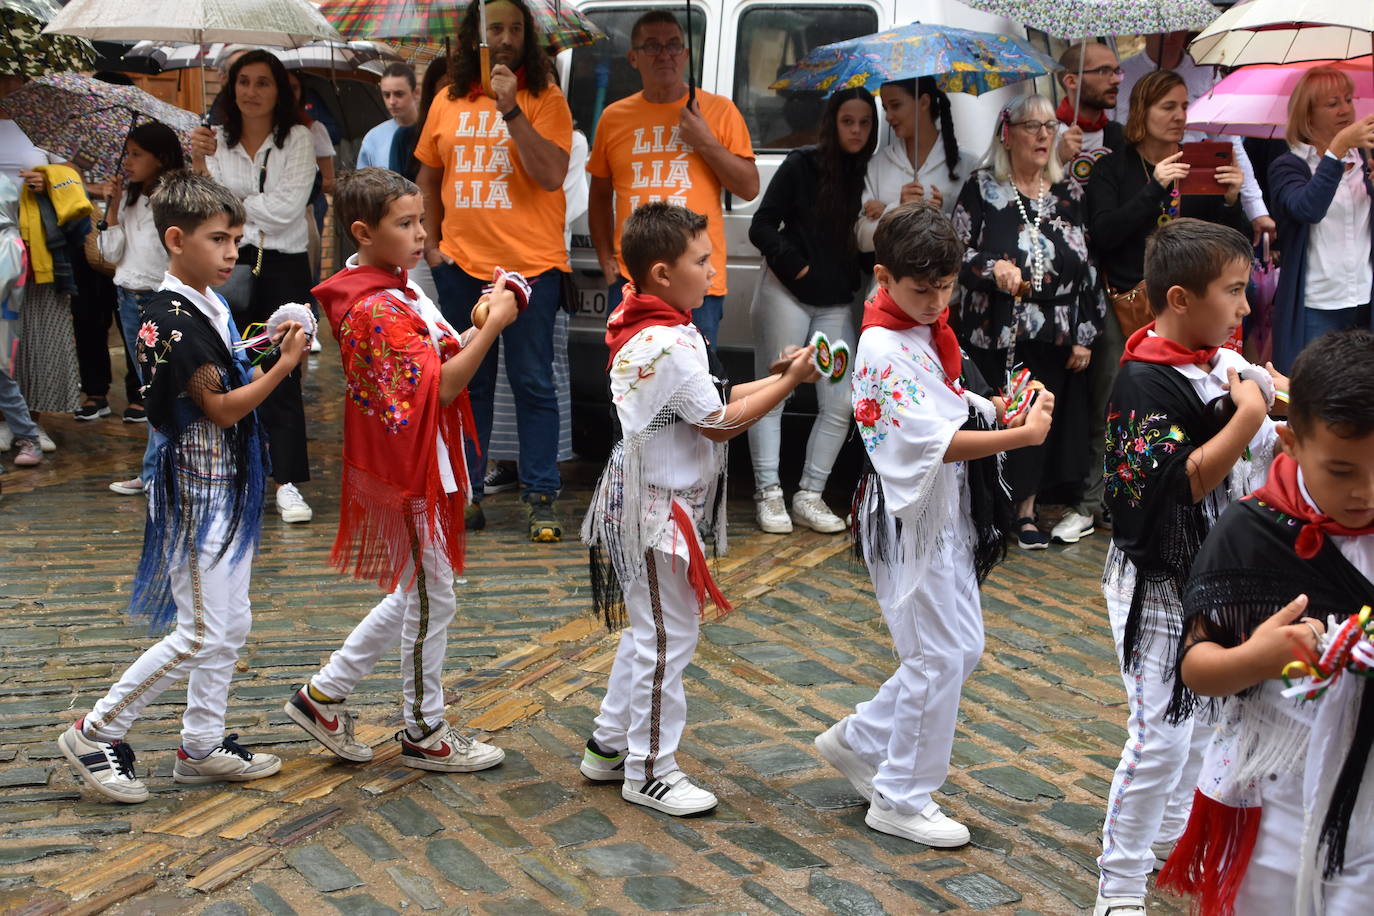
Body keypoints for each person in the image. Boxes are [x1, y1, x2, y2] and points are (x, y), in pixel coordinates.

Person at [56, 171, 308, 803]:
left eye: (236, 240)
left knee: (232, 622)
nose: (231, 253)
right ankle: (97, 730)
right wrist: (284, 365)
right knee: (199, 630)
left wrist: (261, 342)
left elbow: (221, 369)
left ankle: (201, 743)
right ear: (175, 239)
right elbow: (220, 408)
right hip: (197, 493)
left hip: (226, 485)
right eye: (218, 239)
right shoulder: (168, 317)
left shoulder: (206, 304)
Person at [816, 201, 1052, 847]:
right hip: (906, 519)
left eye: (945, 287)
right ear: (884, 277)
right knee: (937, 655)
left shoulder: (922, 331)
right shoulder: (879, 346)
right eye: (923, 289)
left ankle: (861, 740)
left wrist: (1000, 405)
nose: (936, 300)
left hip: (940, 513)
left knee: (958, 649)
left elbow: (947, 400)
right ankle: (900, 795)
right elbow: (931, 441)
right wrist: (1017, 433)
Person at [580, 202, 818, 816]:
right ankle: (650, 769)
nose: (715, 271)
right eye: (703, 260)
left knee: (652, 635)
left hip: (653, 504)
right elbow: (716, 423)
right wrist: (789, 387)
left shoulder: (663, 326)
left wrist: (782, 377)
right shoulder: (664, 341)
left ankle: (609, 746)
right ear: (662, 272)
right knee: (667, 640)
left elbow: (715, 396)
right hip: (656, 514)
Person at [285, 168, 511, 773]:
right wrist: (490, 328)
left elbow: (435, 358)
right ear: (364, 231)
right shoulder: (374, 305)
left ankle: (324, 694)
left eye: (420, 220)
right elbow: (438, 390)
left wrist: (477, 321)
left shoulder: (399, 289)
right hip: (407, 468)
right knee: (432, 595)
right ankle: (422, 728)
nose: (419, 233)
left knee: (419, 589)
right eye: (405, 223)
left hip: (417, 462)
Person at [1092, 219, 1281, 916]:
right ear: (1180, 296)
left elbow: (1264, 438)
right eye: (1233, 291)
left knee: (1199, 724)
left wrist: (1272, 410)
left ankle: (1170, 841)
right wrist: (1248, 414)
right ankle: (1117, 882)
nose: (1244, 306)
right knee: (1160, 736)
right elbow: (1183, 482)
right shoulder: (1143, 381)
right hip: (1157, 583)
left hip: (1212, 574)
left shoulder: (1215, 361)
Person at [1158, 329, 1374, 916]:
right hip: (1277, 790)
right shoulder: (1254, 534)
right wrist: (1261, 656)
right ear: (1290, 442)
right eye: (1342, 470)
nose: (1366, 492)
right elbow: (1198, 668)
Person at [1069, 70, 1252, 543]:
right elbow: (1105, 232)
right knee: (1115, 400)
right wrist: (1156, 186)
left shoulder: (1196, 164)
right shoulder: (1116, 167)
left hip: (1185, 310)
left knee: (1193, 399)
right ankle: (1096, 500)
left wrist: (1231, 201)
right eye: (1167, 106)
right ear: (1141, 112)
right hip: (1126, 301)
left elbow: (1219, 246)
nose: (1179, 116)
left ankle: (1183, 489)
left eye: (1183, 106)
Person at [417, 0, 573, 542]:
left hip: (531, 269)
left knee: (532, 383)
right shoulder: (446, 101)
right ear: (475, 38)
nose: (504, 38)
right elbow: (428, 180)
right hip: (462, 267)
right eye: (494, 29)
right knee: (468, 384)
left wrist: (511, 110)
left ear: (527, 37)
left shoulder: (546, 99)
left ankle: (540, 496)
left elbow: (552, 175)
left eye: (514, 28)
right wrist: (433, 249)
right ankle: (467, 494)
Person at [951, 94, 1105, 550]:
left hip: (1052, 330)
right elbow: (953, 254)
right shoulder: (982, 187)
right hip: (992, 328)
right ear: (1008, 134)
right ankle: (987, 508)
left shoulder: (1069, 193)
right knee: (991, 414)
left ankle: (1025, 510)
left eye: (1049, 126)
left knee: (1038, 414)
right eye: (1032, 126)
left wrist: (1085, 334)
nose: (1043, 135)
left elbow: (1089, 269)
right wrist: (991, 269)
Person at [191, 49, 318, 524]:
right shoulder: (215, 140)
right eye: (244, 81)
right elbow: (208, 206)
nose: (252, 91)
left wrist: (233, 202)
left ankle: (287, 481)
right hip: (229, 264)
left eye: (263, 82)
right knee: (226, 370)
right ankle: (233, 475)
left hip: (282, 267)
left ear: (278, 90)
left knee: (280, 371)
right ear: (232, 88)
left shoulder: (298, 138)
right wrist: (203, 167)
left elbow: (287, 210)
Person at [587, 9, 758, 351]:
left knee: (698, 389)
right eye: (651, 46)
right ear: (633, 57)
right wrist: (606, 257)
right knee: (630, 386)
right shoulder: (613, 117)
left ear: (686, 54)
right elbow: (600, 194)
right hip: (630, 281)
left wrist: (705, 140)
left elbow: (748, 187)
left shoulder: (718, 111)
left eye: (673, 45)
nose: (664, 54)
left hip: (696, 282)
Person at [746, 87, 877, 535]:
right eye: (848, 121)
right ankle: (767, 492)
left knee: (841, 401)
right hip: (787, 294)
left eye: (864, 122)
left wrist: (888, 219)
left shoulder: (872, 174)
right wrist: (797, 267)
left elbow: (865, 248)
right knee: (774, 392)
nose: (856, 130)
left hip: (836, 303)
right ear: (832, 122)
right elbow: (761, 225)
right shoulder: (803, 163)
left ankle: (809, 494)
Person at [1118, 31, 1276, 246]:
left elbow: (1230, 143)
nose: (1173, 37)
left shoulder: (1205, 72)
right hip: (1138, 172)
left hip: (1197, 176)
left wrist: (1256, 209)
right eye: (1167, 106)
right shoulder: (1123, 72)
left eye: (1184, 107)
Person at [1267, 67, 1374, 372]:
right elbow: (1308, 209)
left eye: (1348, 99)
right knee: (1316, 397)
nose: (1345, 109)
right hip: (1317, 303)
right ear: (1308, 115)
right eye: (1332, 103)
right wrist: (1337, 150)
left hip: (1365, 298)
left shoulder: (1365, 158)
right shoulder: (1288, 166)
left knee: (1362, 401)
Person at [102, 123, 185, 497]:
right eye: (127, 153)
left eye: (137, 154)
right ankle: (154, 471)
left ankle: (159, 472)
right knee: (152, 389)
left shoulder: (172, 199)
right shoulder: (132, 198)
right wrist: (113, 206)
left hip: (156, 300)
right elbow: (109, 254)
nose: (128, 162)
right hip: (127, 298)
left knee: (159, 390)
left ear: (161, 158)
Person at [855, 77, 977, 252]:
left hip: (943, 277)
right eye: (885, 108)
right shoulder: (877, 165)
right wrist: (897, 209)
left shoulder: (968, 164)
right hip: (891, 277)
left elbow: (976, 238)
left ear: (924, 102)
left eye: (895, 105)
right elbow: (862, 240)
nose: (888, 117)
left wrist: (939, 216)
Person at [0, 173, 41, 468]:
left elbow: (4, 282)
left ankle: (29, 438)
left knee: (3, 382)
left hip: (2, 324)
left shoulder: (9, 242)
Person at [1054, 42, 1125, 188]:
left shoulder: (1121, 135)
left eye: (1117, 71)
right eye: (1104, 71)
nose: (1116, 80)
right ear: (1071, 81)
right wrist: (1058, 159)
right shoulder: (1043, 135)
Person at [357, 62, 420, 170]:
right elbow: (363, 184)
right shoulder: (373, 138)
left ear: (416, 93)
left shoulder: (432, 129)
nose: (392, 101)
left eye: (399, 94)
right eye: (386, 95)